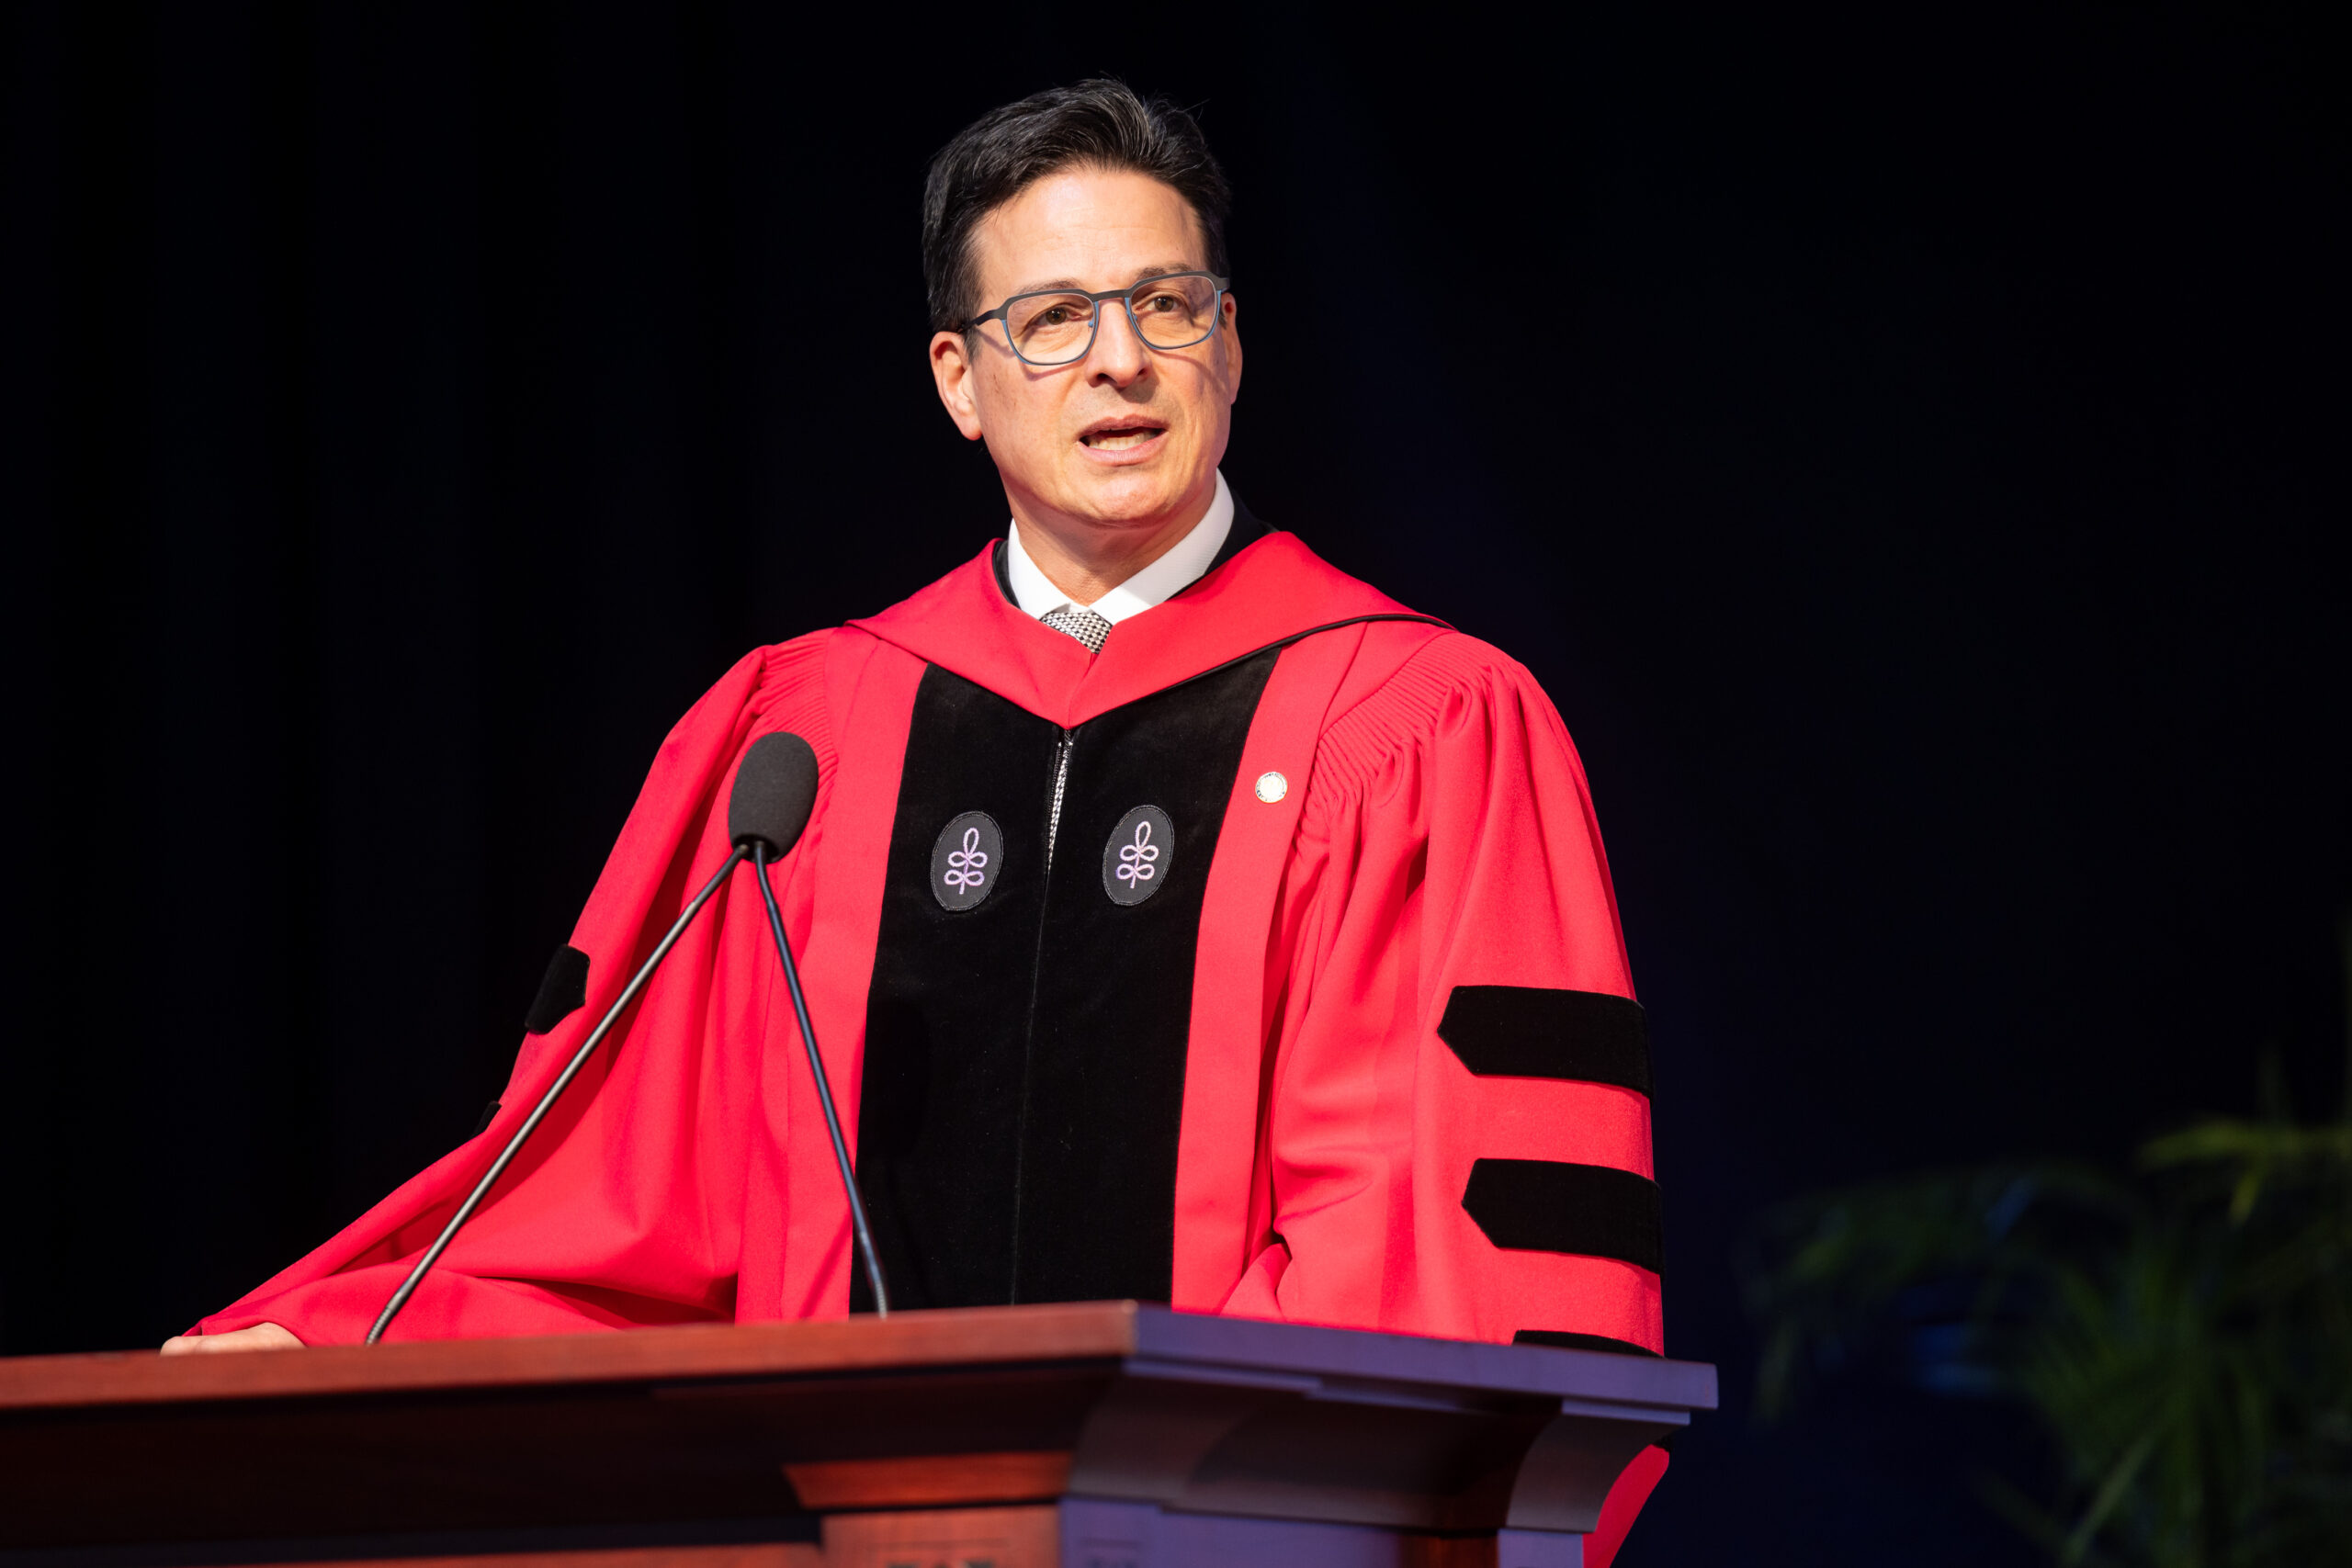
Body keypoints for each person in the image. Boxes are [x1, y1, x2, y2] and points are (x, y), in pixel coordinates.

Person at [165, 81, 1669, 1557]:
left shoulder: (1416, 723)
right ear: (960, 379)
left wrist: (1145, 1499)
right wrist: (337, 1347)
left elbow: (1429, 1246)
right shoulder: (807, 735)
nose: (1118, 363)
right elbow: (620, 1212)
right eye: (1052, 320)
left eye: (1165, 305)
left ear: (1231, 344)